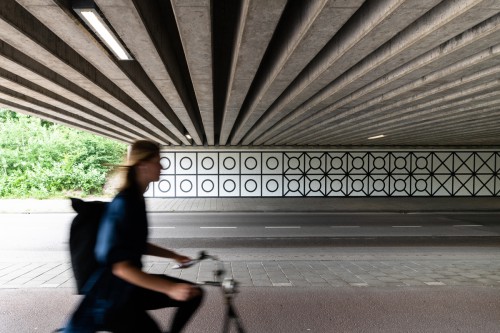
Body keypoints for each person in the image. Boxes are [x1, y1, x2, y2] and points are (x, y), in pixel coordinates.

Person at [64, 140, 203, 333]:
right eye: (157, 160)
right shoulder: (125, 203)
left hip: (128, 288)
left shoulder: (136, 199)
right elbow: (121, 268)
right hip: (113, 297)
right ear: (142, 165)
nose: (162, 166)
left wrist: (173, 255)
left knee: (194, 294)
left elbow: (135, 244)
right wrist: (170, 289)